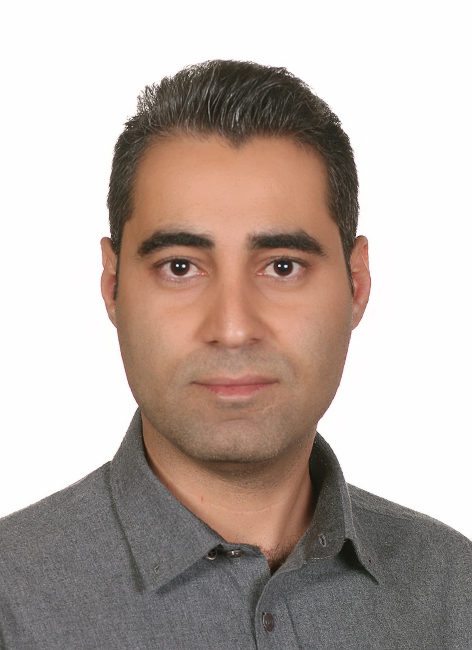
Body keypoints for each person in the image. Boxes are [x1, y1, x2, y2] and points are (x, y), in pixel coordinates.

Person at [0, 60, 470, 649]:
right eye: (180, 267)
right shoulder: (10, 602)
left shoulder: (455, 591)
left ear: (356, 284)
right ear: (113, 285)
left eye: (282, 266)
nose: (232, 328)